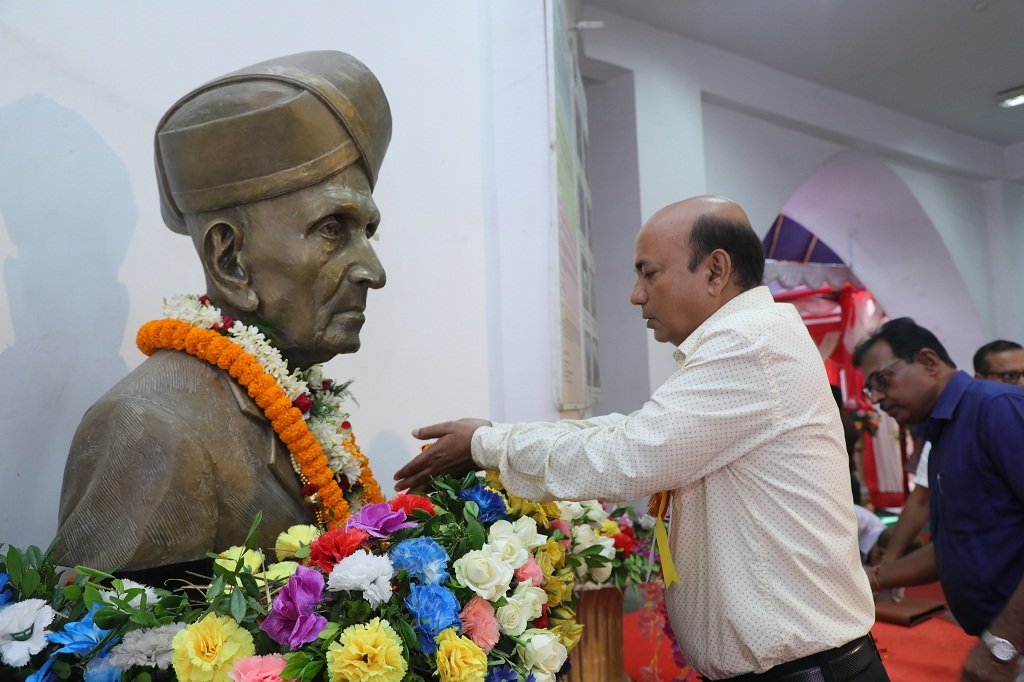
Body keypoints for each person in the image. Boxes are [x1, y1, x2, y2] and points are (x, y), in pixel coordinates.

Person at [395, 196, 886, 681]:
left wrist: (487, 444)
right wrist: (493, 437)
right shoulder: (746, 339)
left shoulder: (748, 343)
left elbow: (630, 456)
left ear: (715, 271)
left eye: (649, 274)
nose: (636, 294)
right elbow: (632, 430)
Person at [54, 51, 391, 581]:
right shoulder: (151, 429)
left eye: (366, 232)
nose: (373, 271)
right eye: (332, 229)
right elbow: (108, 652)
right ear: (229, 259)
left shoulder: (293, 401)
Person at [853, 318, 1024, 682]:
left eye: (882, 380)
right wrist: (873, 577)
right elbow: (959, 541)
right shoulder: (945, 430)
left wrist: (1002, 645)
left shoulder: (997, 408)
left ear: (929, 362)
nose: (878, 398)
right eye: (870, 390)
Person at [879, 339, 1024, 566]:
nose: (1021, 384)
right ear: (980, 379)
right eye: (1009, 377)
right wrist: (888, 566)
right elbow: (921, 501)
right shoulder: (950, 430)